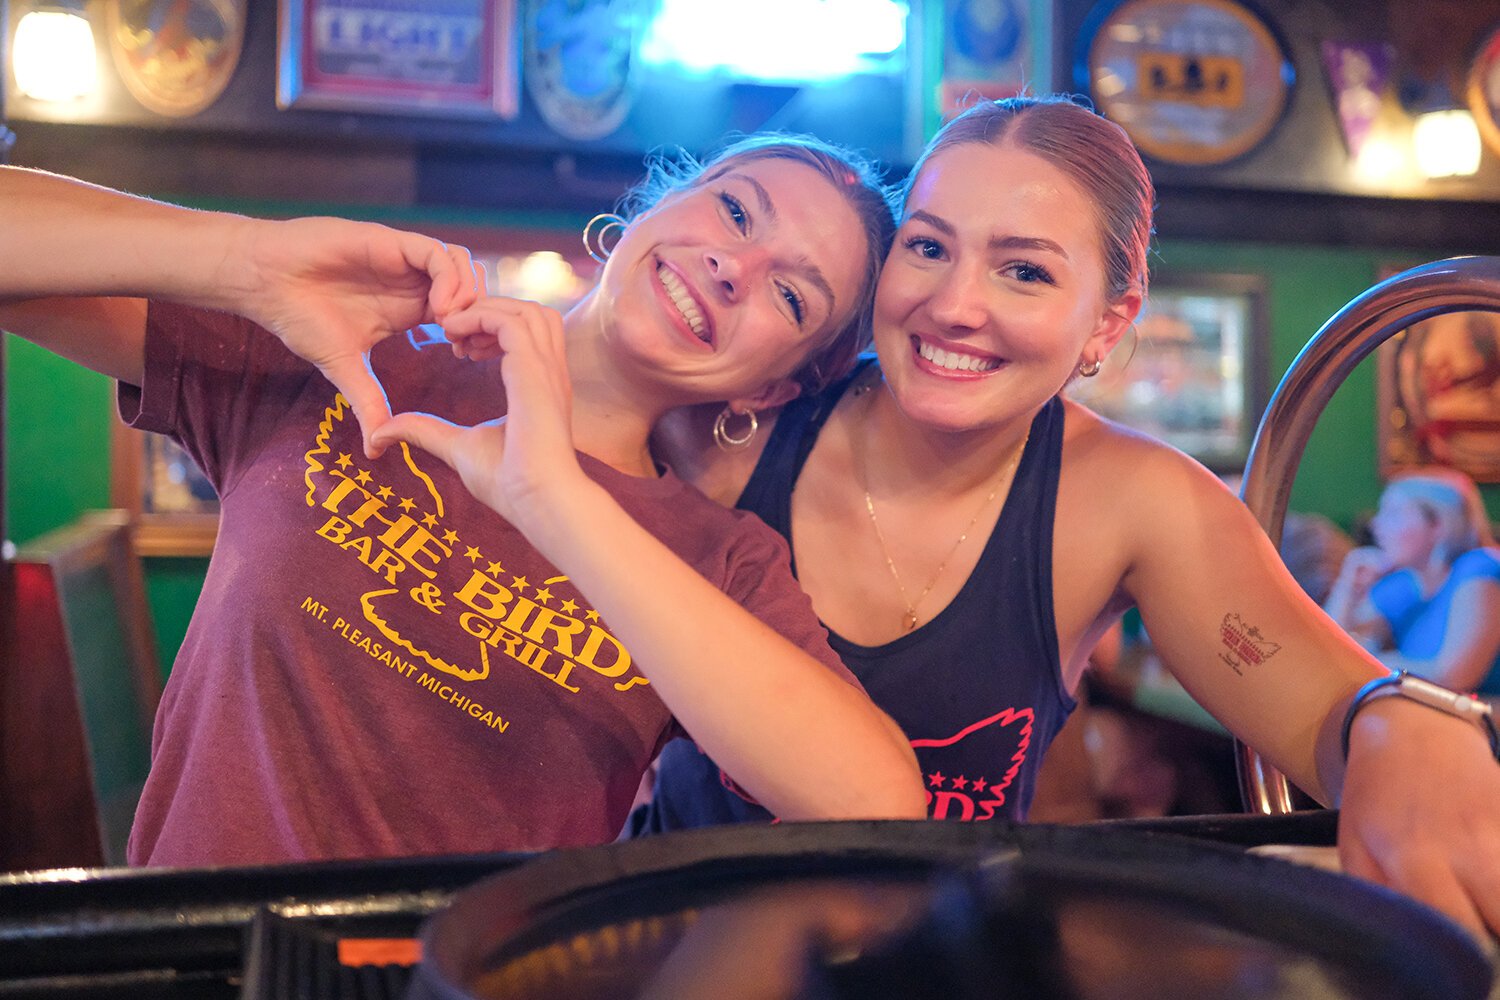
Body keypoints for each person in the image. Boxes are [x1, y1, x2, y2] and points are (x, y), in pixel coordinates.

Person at [637, 95, 1500, 941]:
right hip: (657, 942)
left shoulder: (1130, 498)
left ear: (1108, 322)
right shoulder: (750, 421)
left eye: (1025, 271)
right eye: (928, 246)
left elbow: (1339, 711)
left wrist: (1405, 729)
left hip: (945, 969)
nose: (953, 305)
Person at [0, 135, 927, 867]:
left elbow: (874, 801)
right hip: (203, 966)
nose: (737, 265)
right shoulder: (355, 354)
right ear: (655, 204)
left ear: (769, 391)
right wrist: (249, 259)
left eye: (793, 297)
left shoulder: (718, 561)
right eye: (734, 210)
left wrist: (553, 497)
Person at [1325, 466, 1500, 695]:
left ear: (1438, 525)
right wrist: (1348, 588)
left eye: (1393, 514)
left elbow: (1453, 677)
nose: (1376, 525)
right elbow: (1326, 649)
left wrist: (1362, 661)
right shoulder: (1404, 584)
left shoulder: (1479, 568)